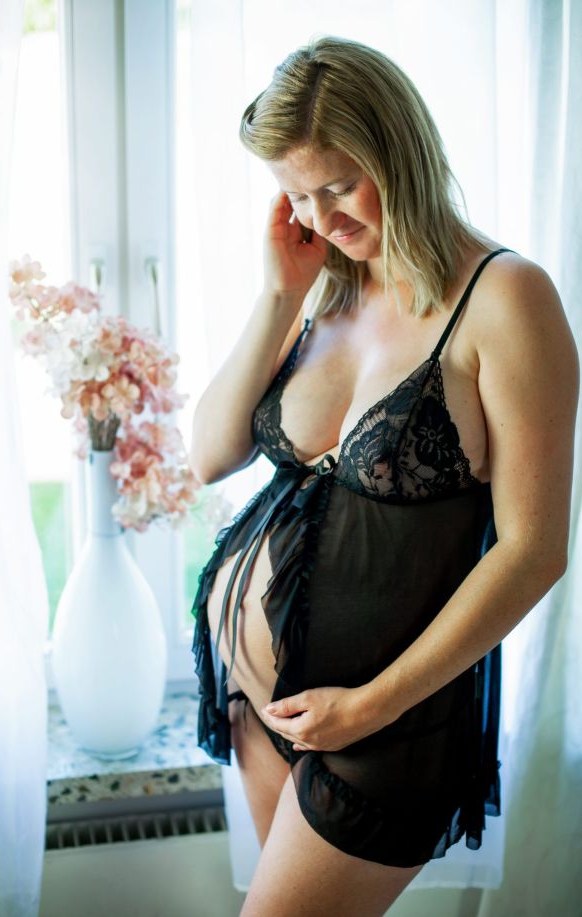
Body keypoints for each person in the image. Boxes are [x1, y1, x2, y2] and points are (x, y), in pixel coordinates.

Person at [189, 35, 579, 917]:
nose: (318, 217)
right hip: (266, 707)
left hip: (386, 725)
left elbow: (533, 550)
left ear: (397, 149)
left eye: (336, 185)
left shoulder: (507, 299)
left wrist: (367, 706)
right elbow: (211, 452)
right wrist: (277, 295)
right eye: (294, 193)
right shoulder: (327, 285)